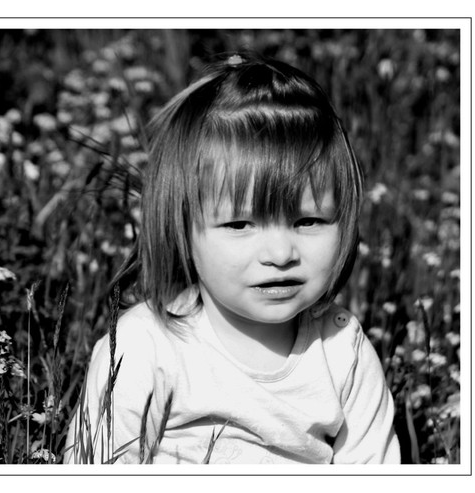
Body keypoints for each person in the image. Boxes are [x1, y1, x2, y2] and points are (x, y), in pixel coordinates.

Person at [64, 53, 400, 465]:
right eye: (241, 224)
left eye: (308, 221)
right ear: (183, 229)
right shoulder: (146, 346)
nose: (280, 254)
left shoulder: (341, 351)